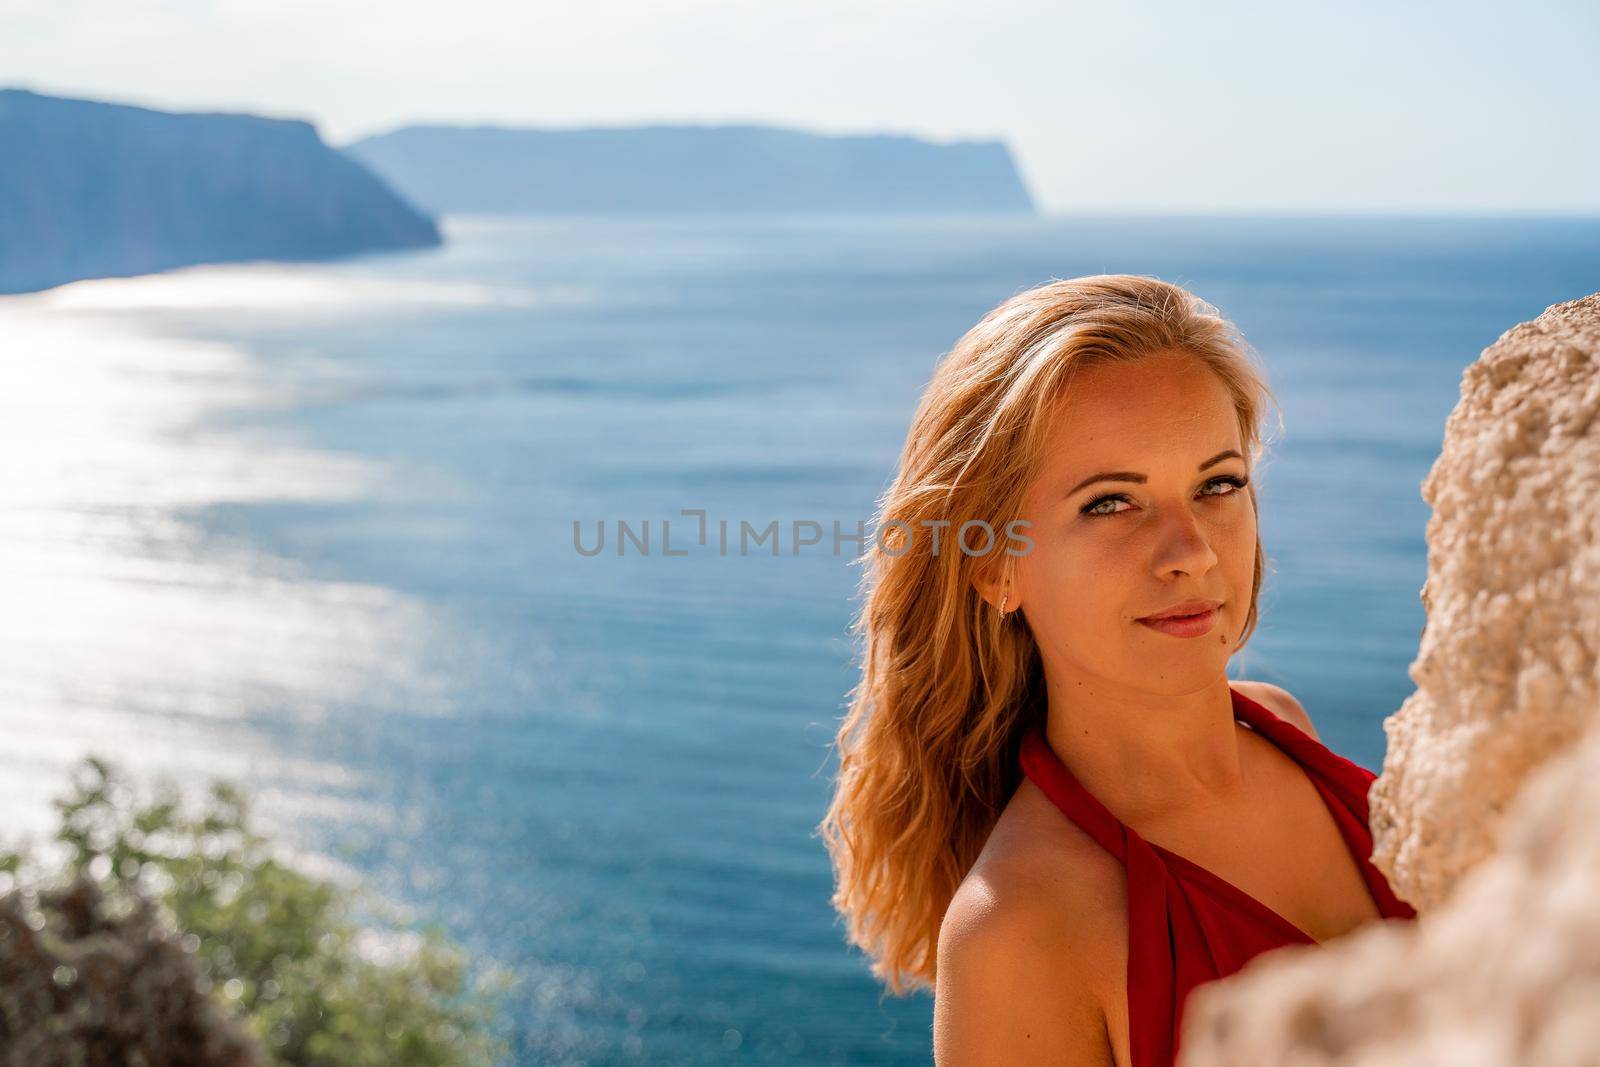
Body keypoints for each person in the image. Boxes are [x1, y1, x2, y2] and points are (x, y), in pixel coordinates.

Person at [815, 275, 1416, 1067]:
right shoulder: (1018, 930)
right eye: (1110, 503)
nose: (1193, 550)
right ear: (995, 565)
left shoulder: (1285, 730)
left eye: (1218, 484)